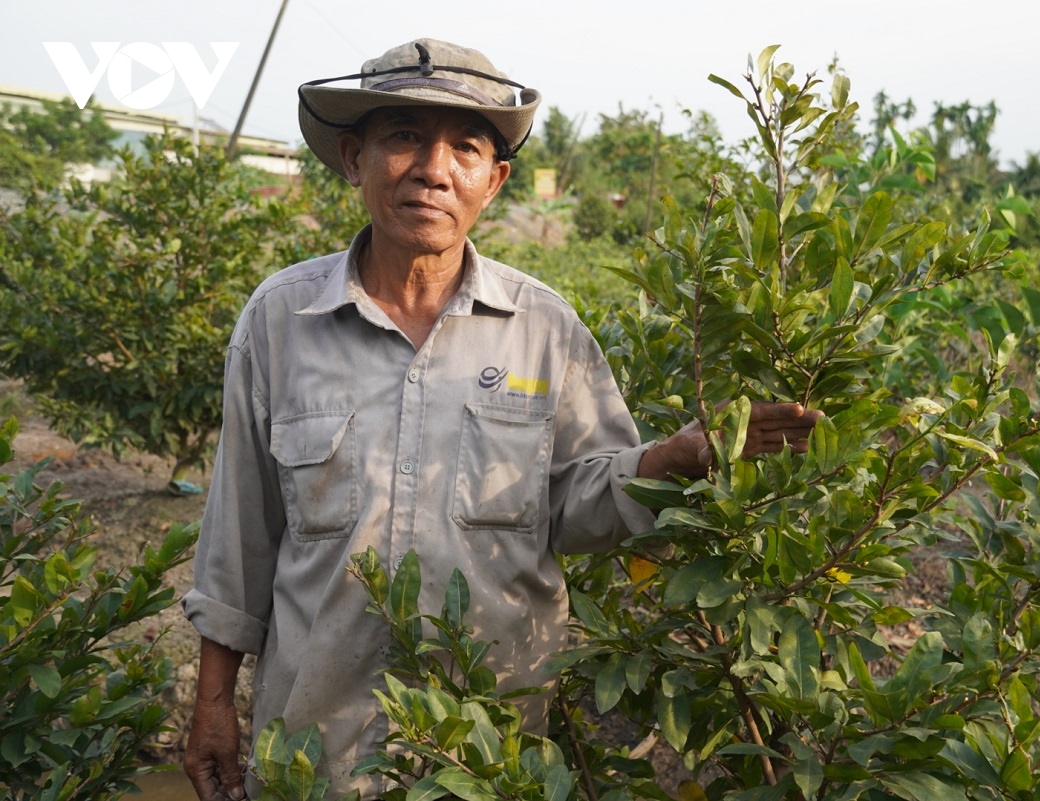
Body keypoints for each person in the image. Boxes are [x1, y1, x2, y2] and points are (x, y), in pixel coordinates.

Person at [182, 38, 823, 801]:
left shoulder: (545, 329)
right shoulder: (279, 321)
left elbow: (578, 507)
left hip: (491, 759)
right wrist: (213, 705)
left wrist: (672, 460)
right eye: (404, 137)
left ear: (495, 180)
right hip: (314, 757)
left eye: (465, 147)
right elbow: (238, 539)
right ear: (354, 159)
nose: (432, 167)